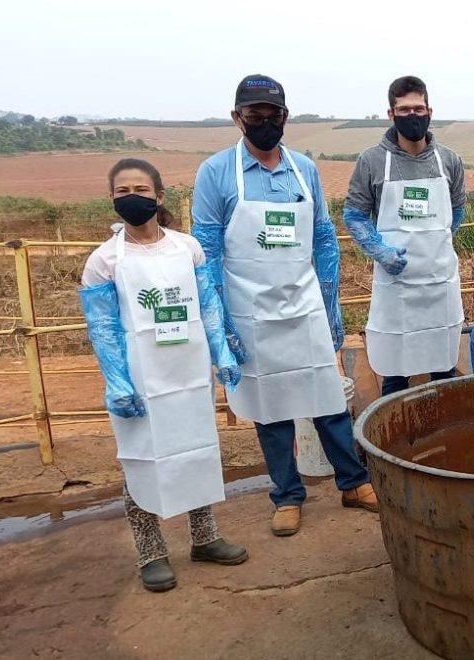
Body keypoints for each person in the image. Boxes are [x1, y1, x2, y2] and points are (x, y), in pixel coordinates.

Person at [192, 74, 376, 538]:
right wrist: (220, 325)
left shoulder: (303, 169)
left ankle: (353, 482)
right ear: (238, 118)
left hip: (305, 306)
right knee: (270, 407)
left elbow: (322, 236)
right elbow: (207, 250)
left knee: (327, 398)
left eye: (273, 115)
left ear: (285, 117)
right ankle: (287, 495)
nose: (265, 123)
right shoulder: (216, 173)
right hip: (250, 312)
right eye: (255, 115)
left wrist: (331, 304)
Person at [79, 158, 247, 592]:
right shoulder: (103, 261)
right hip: (140, 379)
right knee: (142, 457)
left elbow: (208, 305)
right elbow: (103, 328)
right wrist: (117, 380)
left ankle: (205, 537)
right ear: (112, 199)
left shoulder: (187, 248)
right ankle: (151, 552)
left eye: (139, 188)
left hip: (188, 372)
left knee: (196, 448)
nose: (131, 197)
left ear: (159, 195)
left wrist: (222, 351)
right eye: (121, 192)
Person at [343, 75, 467, 395]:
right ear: (391, 114)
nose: (413, 116)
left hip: (440, 285)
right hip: (396, 287)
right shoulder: (371, 161)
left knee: (443, 370)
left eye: (418, 108)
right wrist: (380, 250)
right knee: (395, 373)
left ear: (429, 110)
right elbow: (355, 215)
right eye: (405, 110)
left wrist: (435, 245)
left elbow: (457, 210)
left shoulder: (449, 161)